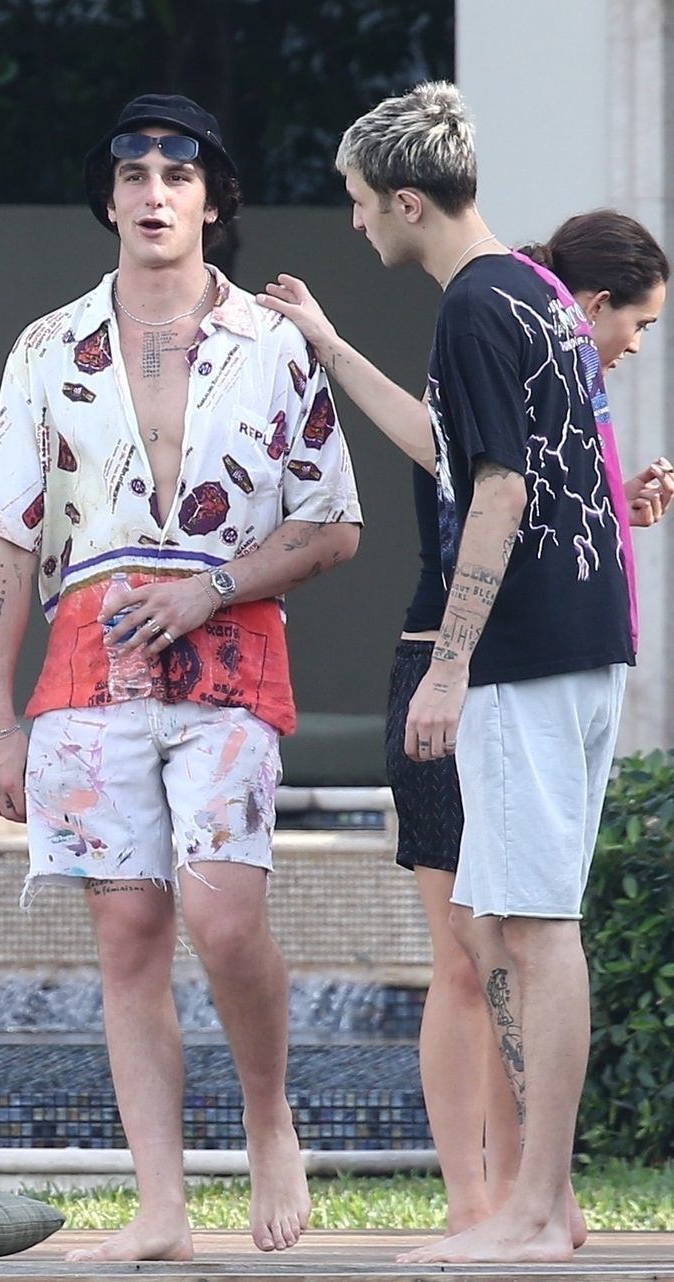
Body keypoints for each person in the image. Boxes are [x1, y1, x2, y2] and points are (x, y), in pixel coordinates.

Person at [0, 94, 362, 1262]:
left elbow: (334, 522)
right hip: (86, 668)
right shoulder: (46, 345)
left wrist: (211, 587)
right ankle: (162, 1208)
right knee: (130, 936)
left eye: (177, 175)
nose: (153, 192)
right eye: (133, 174)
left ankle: (267, 1113)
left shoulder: (274, 341)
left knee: (224, 917)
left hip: (229, 653)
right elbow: (5, 536)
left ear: (210, 199)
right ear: (108, 198)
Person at [261, 207, 669, 1238]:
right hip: (453, 665)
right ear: (591, 303)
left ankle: (530, 1196)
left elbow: (509, 491)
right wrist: (332, 345)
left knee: (509, 932)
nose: (635, 344)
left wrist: (612, 504)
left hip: (486, 665)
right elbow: (455, 459)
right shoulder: (506, 326)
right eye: (640, 323)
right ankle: (484, 1201)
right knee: (476, 938)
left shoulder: (523, 339)